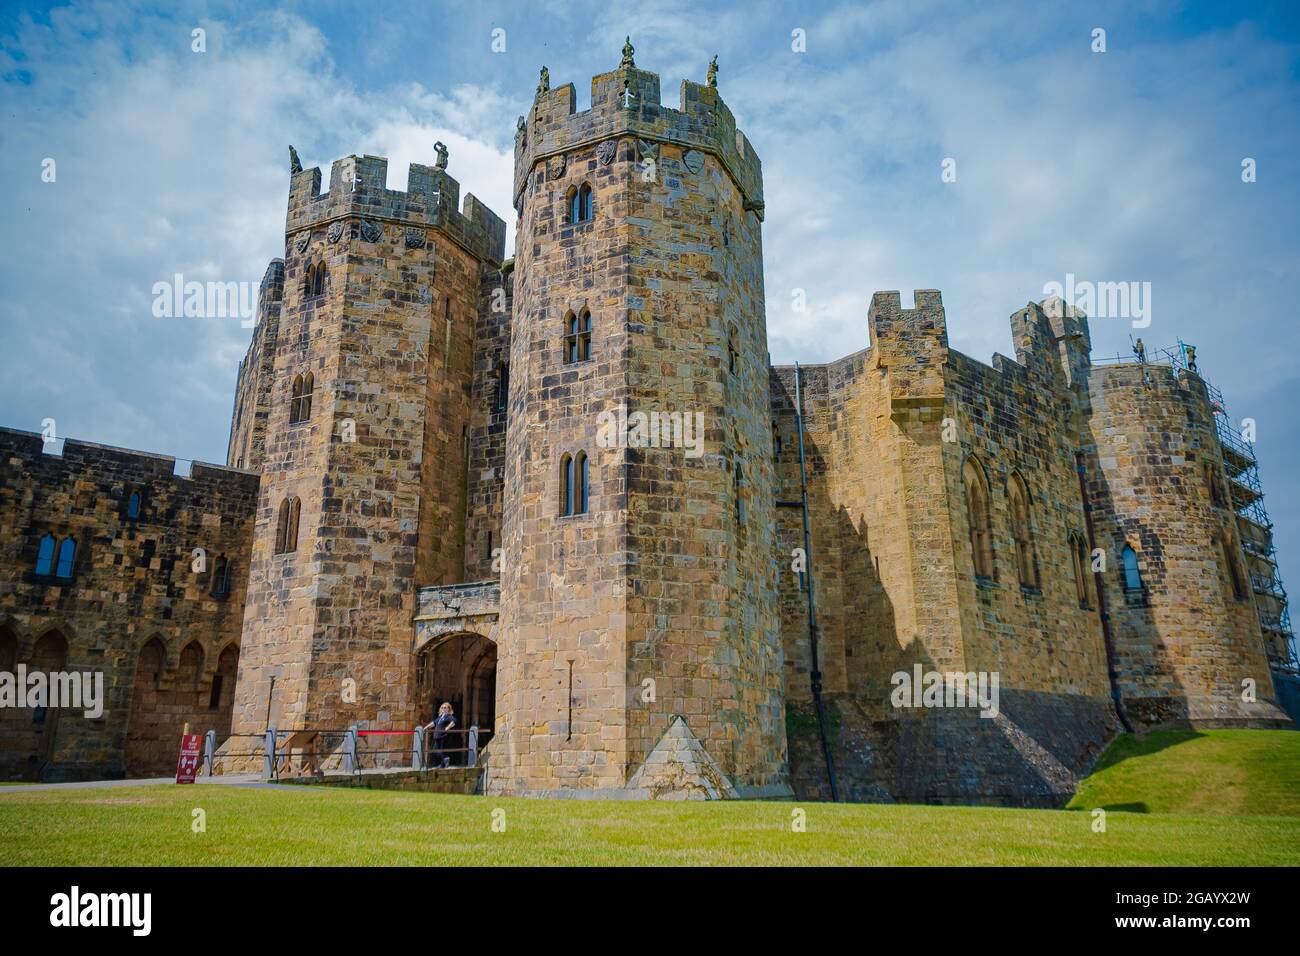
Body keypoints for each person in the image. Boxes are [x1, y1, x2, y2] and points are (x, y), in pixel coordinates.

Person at [426, 702, 456, 769]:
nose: (443, 709)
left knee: (437, 750)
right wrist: (426, 727)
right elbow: (434, 723)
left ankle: (445, 758)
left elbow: (453, 722)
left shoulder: (448, 716)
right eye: (442, 707)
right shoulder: (440, 717)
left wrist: (447, 728)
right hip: (437, 736)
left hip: (442, 736)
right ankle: (443, 764)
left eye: (445, 707)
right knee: (438, 750)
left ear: (448, 709)